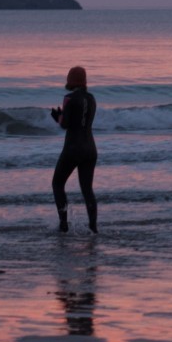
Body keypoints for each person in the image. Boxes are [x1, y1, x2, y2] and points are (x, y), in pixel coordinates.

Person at [50, 66, 98, 234]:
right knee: (87, 190)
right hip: (90, 149)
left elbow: (65, 124)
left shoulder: (69, 98)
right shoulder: (92, 99)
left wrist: (57, 116)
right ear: (84, 81)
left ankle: (64, 225)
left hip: (73, 148)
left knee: (57, 184)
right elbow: (83, 121)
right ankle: (93, 227)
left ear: (70, 81)